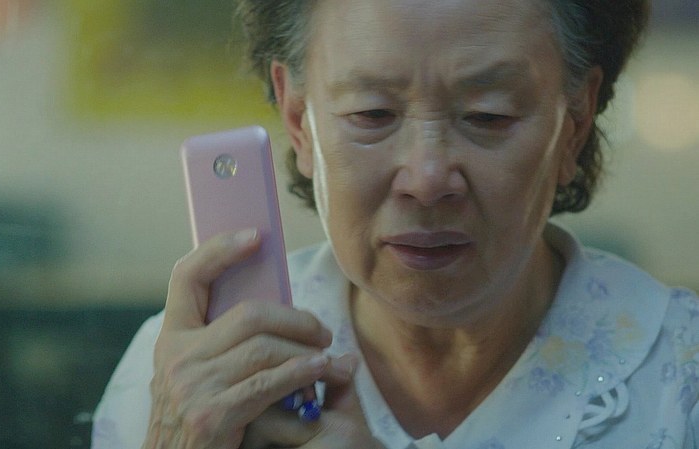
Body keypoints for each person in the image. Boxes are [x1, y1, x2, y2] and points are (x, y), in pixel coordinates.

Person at [92, 0, 699, 448]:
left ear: (575, 123)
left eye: (487, 115)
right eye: (372, 113)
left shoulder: (681, 381)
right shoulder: (187, 379)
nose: (427, 179)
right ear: (299, 120)